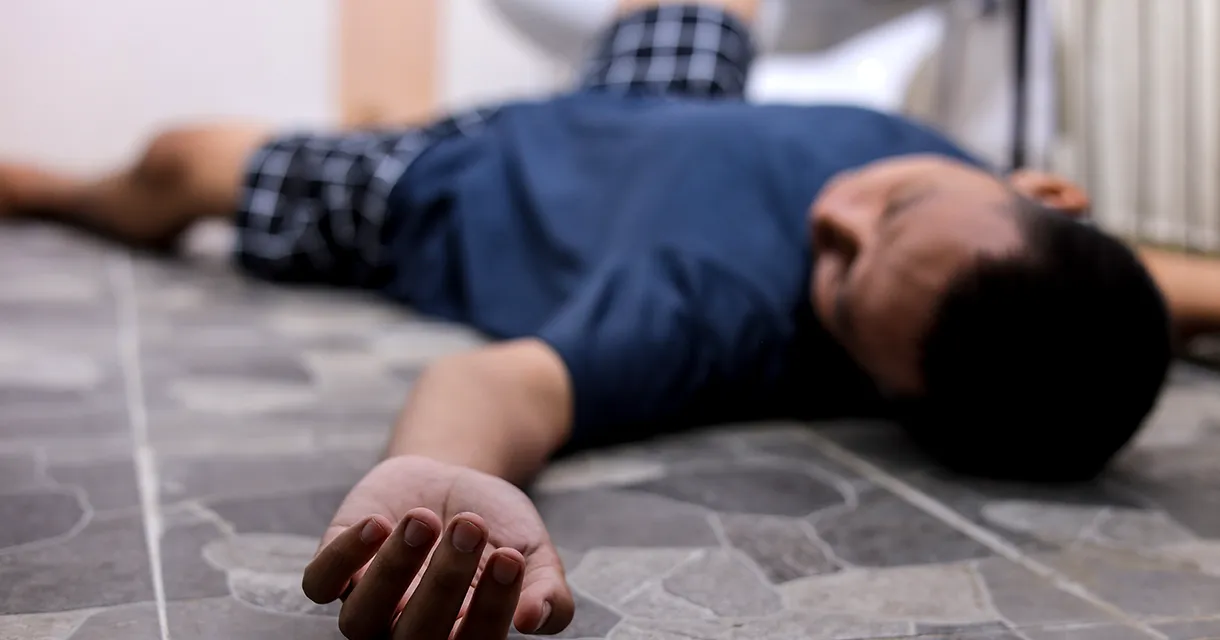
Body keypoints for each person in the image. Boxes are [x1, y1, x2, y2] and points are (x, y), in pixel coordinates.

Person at [0, 0, 1216, 636]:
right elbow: (1166, 288)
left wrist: (441, 476)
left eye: (842, 282)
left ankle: (52, 189)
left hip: (453, 185)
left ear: (881, 387)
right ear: (1043, 192)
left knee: (179, 163)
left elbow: (509, 384)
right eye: (892, 203)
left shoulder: (715, 312)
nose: (832, 218)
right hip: (667, 102)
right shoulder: (1039, 277)